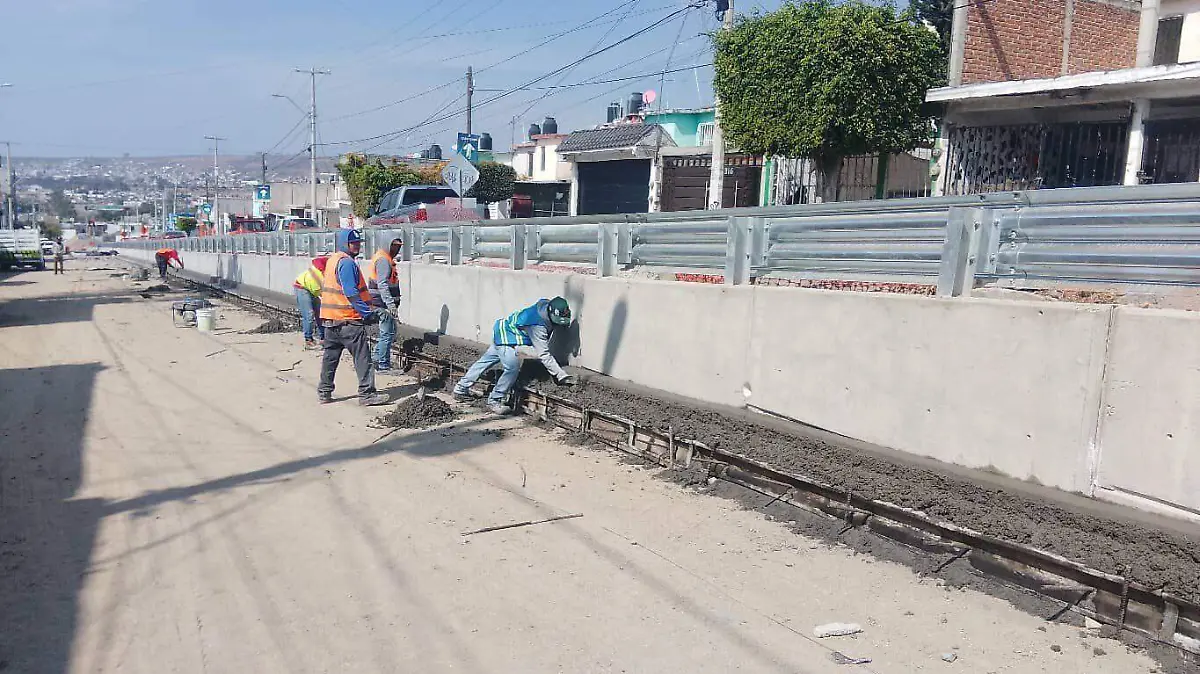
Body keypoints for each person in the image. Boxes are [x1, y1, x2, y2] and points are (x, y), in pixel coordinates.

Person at [452, 297, 576, 415]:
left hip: (502, 329)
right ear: (550, 313)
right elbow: (543, 353)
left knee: (484, 362)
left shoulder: (544, 305)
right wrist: (561, 375)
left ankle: (460, 389)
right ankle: (494, 400)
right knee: (512, 368)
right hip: (507, 338)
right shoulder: (537, 326)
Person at [317, 229, 390, 407]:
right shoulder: (347, 264)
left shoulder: (333, 260)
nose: (357, 246)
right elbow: (350, 292)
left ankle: (324, 392)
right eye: (353, 243)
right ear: (344, 243)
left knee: (330, 358)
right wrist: (366, 313)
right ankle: (367, 395)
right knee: (362, 358)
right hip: (348, 321)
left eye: (358, 243)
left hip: (330, 321)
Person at [367, 237, 403, 371]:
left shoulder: (384, 258)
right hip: (381, 303)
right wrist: (391, 305)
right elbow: (382, 284)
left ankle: (377, 359)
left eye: (399, 247)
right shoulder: (383, 260)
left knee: (387, 333)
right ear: (388, 245)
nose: (397, 249)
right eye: (395, 246)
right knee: (387, 333)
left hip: (380, 302)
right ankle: (382, 364)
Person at [293, 255, 329, 350]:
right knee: (309, 314)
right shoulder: (324, 275)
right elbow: (323, 294)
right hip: (302, 287)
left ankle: (324, 338)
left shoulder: (326, 270)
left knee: (320, 313)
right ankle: (308, 340)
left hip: (312, 288)